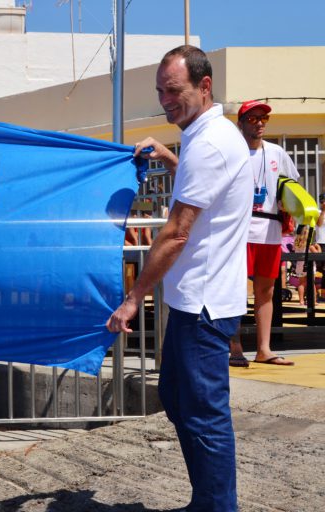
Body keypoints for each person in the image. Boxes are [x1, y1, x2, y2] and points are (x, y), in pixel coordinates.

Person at [106, 46, 252, 511]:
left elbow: (176, 233)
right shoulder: (210, 137)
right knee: (175, 394)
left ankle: (216, 506)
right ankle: (207, 500)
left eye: (174, 90)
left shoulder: (207, 144)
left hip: (203, 306)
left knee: (204, 415)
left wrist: (134, 297)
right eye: (160, 92)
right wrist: (171, 157)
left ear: (204, 86)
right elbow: (210, 192)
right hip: (201, 301)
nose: (165, 100)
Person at [228, 100, 298, 367]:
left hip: (269, 229)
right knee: (234, 290)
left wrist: (292, 211)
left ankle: (264, 349)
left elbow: (291, 187)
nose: (259, 123)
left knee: (266, 291)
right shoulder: (233, 152)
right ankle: (235, 348)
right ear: (242, 122)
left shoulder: (277, 152)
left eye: (263, 119)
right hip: (239, 229)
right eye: (253, 118)